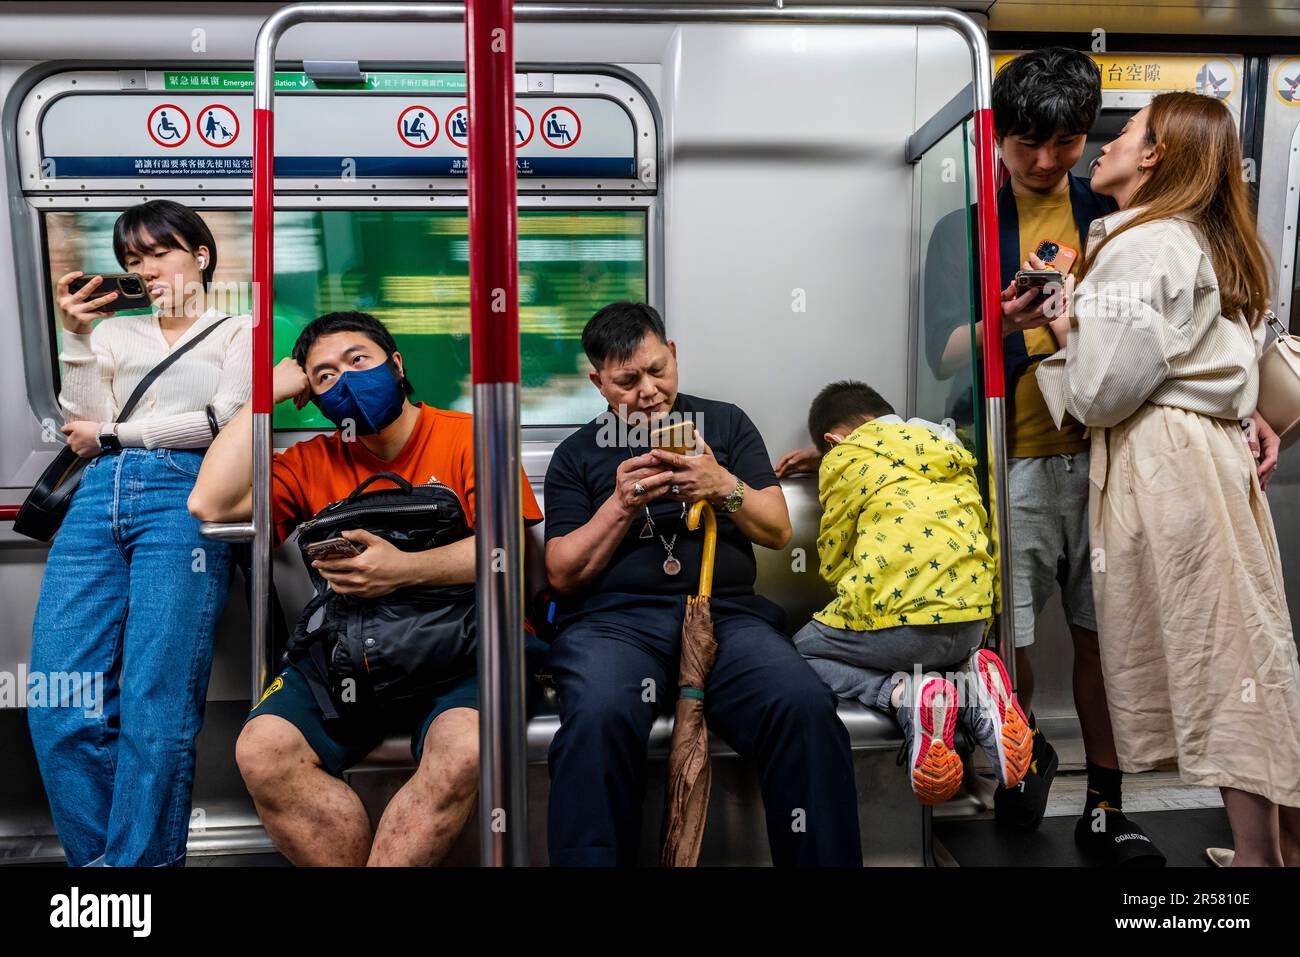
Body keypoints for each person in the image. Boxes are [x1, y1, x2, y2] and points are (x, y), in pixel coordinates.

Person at [776, 48, 1163, 864]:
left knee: (1102, 639)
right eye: (1027, 145)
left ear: (1086, 138)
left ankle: (1105, 802)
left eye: (1065, 144)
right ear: (997, 139)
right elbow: (948, 352)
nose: (1047, 162)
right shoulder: (969, 227)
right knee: (1007, 641)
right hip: (1007, 456)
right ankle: (1015, 773)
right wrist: (1012, 315)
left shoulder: (1112, 212)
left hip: (1103, 458)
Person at [1036, 91, 1300, 867]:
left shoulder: (1143, 246)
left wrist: (1058, 326)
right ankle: (1281, 846)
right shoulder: (1193, 238)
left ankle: (1260, 861)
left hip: (1167, 465)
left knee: (1222, 660)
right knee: (1248, 652)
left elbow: (1100, 390)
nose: (1108, 144)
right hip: (1201, 456)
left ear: (1155, 157)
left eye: (1128, 131)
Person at [188, 311, 544, 866]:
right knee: (263, 752)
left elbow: (511, 555)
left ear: (396, 365)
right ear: (311, 395)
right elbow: (208, 503)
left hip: (466, 646)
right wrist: (263, 398)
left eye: (359, 361)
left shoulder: (470, 436)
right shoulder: (311, 461)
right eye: (324, 376)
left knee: (463, 749)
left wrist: (404, 569)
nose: (346, 379)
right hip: (353, 650)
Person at [542, 302, 862, 866]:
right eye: (626, 381)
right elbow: (563, 574)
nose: (648, 391)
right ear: (598, 382)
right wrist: (619, 505)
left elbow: (779, 531)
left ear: (674, 354)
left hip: (726, 618)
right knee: (596, 718)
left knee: (804, 707)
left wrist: (723, 485)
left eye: (657, 369)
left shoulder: (728, 424)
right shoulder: (577, 455)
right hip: (615, 627)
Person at [29, 199, 251, 866]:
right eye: (132, 259)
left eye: (158, 253)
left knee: (155, 703)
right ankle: (111, 875)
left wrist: (120, 434)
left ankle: (130, 886)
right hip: (99, 493)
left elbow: (224, 420)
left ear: (200, 255)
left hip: (184, 494)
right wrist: (74, 335)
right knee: (58, 698)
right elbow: (82, 425)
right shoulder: (113, 336)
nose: (144, 269)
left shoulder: (239, 328)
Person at [790, 381, 1030, 805]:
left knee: (793, 655)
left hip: (904, 632)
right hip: (972, 624)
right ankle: (973, 689)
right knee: (936, 650)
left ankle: (903, 695)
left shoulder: (844, 457)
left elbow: (834, 554)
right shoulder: (944, 441)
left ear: (832, 440)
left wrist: (833, 462)